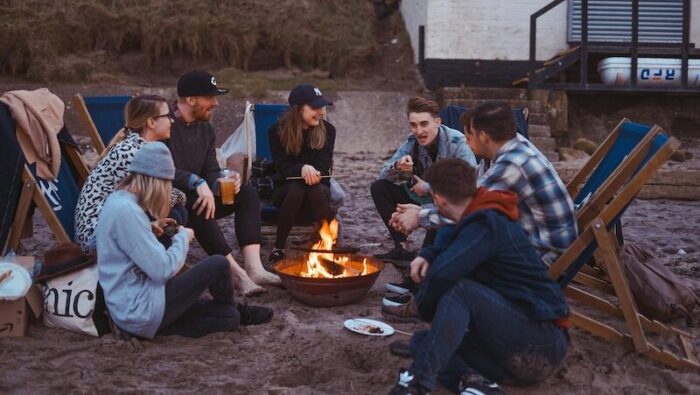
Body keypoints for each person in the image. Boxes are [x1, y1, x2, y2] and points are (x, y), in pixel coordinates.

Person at [386, 159, 570, 395]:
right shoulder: (472, 213)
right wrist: (428, 254)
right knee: (424, 340)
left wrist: (425, 310)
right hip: (507, 350)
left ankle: (418, 383)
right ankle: (475, 383)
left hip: (542, 344)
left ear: (438, 199)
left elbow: (443, 274)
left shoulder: (488, 223)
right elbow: (449, 242)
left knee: (460, 292)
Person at [96, 142, 273, 340]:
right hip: (141, 308)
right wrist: (182, 238)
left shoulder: (119, 201)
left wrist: (149, 228)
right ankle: (239, 308)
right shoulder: (127, 211)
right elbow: (162, 270)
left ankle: (235, 311)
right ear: (156, 180)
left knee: (228, 318)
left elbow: (125, 245)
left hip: (136, 311)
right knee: (219, 263)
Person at [390, 101, 576, 266]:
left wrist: (419, 217)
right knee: (452, 234)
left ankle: (423, 289)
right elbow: (471, 189)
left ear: (484, 137)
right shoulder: (507, 149)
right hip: (529, 236)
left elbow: (471, 209)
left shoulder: (513, 164)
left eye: (469, 138)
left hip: (544, 255)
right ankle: (420, 284)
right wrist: (422, 207)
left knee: (457, 238)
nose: (467, 144)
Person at [166, 70, 280, 296]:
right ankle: (236, 275)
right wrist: (198, 183)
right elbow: (162, 169)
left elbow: (209, 168)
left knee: (247, 194)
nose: (216, 104)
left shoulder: (206, 129)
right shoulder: (164, 125)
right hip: (170, 201)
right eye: (210, 98)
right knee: (198, 204)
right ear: (190, 100)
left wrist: (220, 180)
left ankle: (254, 268)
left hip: (201, 194)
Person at [370, 96, 476, 266]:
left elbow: (469, 185)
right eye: (413, 125)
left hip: (447, 203)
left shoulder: (457, 143)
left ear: (437, 122)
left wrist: (427, 186)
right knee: (379, 187)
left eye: (424, 124)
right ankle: (402, 247)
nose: (418, 131)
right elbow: (382, 174)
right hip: (421, 198)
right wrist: (398, 166)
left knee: (428, 257)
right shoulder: (412, 142)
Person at [74, 95, 187, 252]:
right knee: (175, 212)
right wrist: (183, 194)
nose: (172, 121)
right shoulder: (132, 153)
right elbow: (157, 198)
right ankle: (159, 261)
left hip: (111, 224)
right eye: (167, 116)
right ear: (151, 122)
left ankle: (161, 257)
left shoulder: (134, 146)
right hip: (98, 238)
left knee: (176, 212)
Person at [267, 84, 336, 264]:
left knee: (313, 187)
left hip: (318, 191)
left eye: (322, 107)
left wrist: (312, 172)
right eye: (315, 107)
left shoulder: (328, 131)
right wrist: (302, 168)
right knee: (297, 187)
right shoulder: (277, 131)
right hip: (286, 192)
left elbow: (323, 168)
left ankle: (326, 245)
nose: (320, 112)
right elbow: (283, 169)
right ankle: (279, 247)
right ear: (298, 109)